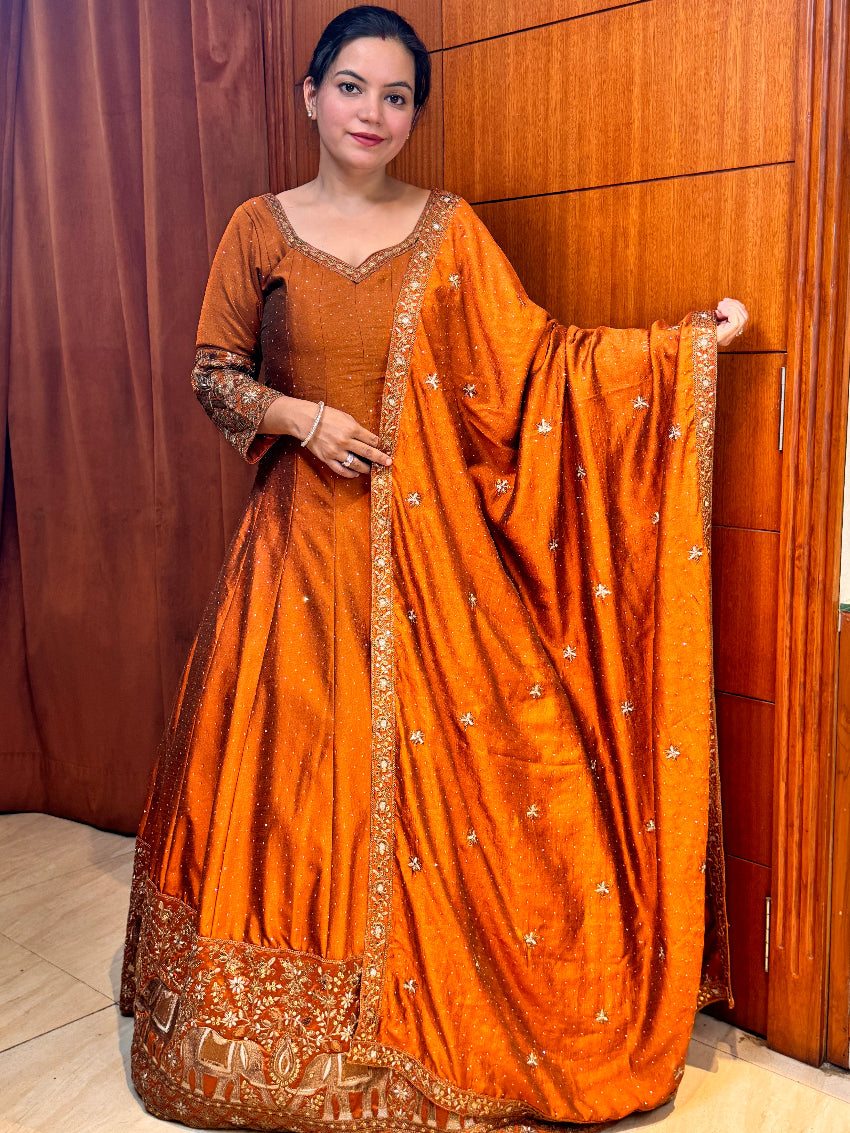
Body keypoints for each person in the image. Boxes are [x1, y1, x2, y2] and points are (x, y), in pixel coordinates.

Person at [119, 6, 749, 1130]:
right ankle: (281, 1026)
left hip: (433, 562)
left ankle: (438, 1010)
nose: (373, 113)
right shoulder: (258, 227)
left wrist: (681, 348)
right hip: (297, 559)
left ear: (415, 111)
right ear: (311, 96)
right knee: (292, 782)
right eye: (352, 88)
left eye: (397, 95)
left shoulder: (449, 231)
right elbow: (213, 372)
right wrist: (300, 416)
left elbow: (535, 370)